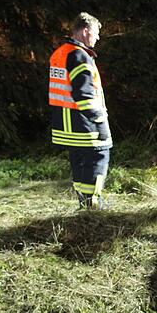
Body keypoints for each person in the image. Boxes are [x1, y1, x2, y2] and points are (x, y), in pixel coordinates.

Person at [48, 12, 112, 209]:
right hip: (83, 124)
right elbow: (83, 95)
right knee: (99, 156)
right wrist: (100, 123)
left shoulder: (61, 52)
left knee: (79, 162)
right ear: (85, 31)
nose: (98, 37)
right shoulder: (79, 56)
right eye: (96, 32)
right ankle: (93, 205)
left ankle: (84, 203)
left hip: (65, 125)